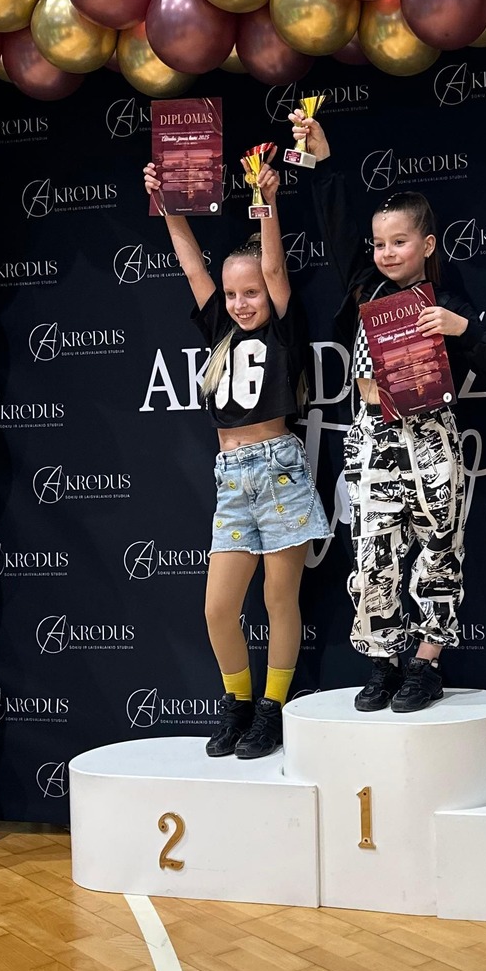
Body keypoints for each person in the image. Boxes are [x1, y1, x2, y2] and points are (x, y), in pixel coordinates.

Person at [291, 108, 486, 713]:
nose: (387, 252)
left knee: (439, 548)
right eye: (380, 243)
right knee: (370, 553)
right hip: (370, 432)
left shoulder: (446, 296)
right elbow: (336, 224)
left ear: (427, 244)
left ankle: (426, 663)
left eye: (400, 241)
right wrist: (320, 159)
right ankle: (385, 662)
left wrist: (459, 327)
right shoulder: (365, 285)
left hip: (431, 436)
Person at [144, 155, 330, 760]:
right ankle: (239, 704)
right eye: (232, 295)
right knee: (219, 608)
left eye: (250, 293)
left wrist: (267, 202)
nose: (241, 303)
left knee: (279, 599)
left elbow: (273, 266)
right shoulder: (219, 330)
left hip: (279, 471)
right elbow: (190, 265)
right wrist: (169, 208)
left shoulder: (282, 330)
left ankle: (272, 709)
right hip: (231, 479)